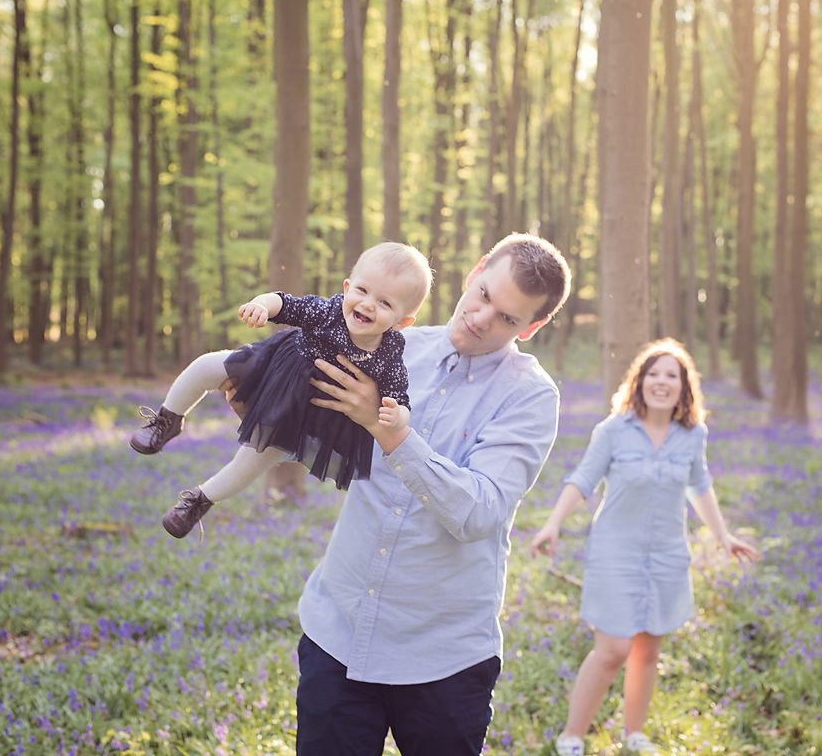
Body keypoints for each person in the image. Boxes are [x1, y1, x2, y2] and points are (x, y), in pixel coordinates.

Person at [292, 233, 571, 755]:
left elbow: (478, 512)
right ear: (475, 270)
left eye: (509, 318)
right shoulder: (391, 346)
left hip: (444, 658)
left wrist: (391, 431)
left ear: (531, 328)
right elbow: (320, 439)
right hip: (340, 628)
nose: (484, 317)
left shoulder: (530, 396)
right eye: (485, 294)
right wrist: (263, 406)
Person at [531, 338, 760, 756]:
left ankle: (633, 734)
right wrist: (552, 524)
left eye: (671, 375)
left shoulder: (693, 435)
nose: (661, 381)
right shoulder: (613, 430)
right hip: (615, 553)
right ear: (639, 381)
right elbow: (582, 479)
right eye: (654, 373)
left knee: (647, 650)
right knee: (612, 650)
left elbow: (700, 486)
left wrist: (724, 536)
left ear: (683, 387)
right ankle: (572, 737)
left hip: (668, 554)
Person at [129, 242, 432, 538]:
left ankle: (198, 501)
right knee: (207, 366)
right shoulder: (327, 312)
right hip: (272, 368)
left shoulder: (389, 353)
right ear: (346, 288)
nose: (368, 304)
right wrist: (262, 306)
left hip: (300, 411)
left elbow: (398, 394)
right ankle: (167, 419)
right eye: (363, 291)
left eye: (385, 303)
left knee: (253, 459)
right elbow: (284, 303)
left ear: (403, 321)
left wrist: (398, 416)